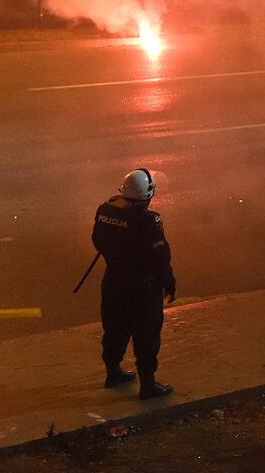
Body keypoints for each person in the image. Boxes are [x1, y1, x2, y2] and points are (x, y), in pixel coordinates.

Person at [91, 169, 176, 399]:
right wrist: (168, 282)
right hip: (142, 288)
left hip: (113, 281)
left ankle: (113, 372)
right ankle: (148, 385)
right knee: (146, 334)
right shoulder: (149, 221)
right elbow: (160, 257)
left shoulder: (105, 211)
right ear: (146, 194)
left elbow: (98, 241)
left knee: (115, 329)